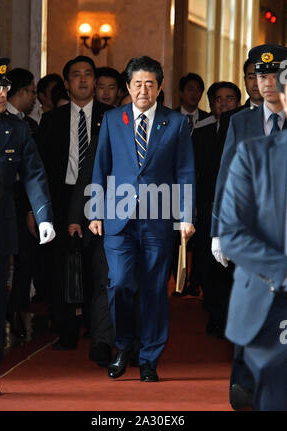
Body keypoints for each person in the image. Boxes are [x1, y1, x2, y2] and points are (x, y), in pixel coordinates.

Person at [89, 56, 195, 382]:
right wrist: (95, 210)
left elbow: (185, 172)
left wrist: (186, 217)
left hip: (158, 220)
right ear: (128, 86)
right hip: (118, 219)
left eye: (150, 83)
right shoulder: (111, 119)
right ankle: (123, 346)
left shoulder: (175, 123)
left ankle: (149, 357)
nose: (143, 90)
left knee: (152, 291)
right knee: (119, 283)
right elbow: (101, 166)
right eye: (137, 83)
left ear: (160, 87)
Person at [211, 44, 287, 410]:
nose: (267, 83)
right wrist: (217, 232)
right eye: (260, 75)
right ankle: (244, 383)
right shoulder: (240, 122)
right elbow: (225, 179)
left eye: (274, 75)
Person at [37, 56, 113, 366]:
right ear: (66, 83)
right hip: (61, 197)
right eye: (75, 75)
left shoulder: (112, 117)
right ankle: (66, 331)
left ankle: (99, 332)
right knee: (61, 266)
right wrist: (36, 209)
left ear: (95, 81)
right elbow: (39, 168)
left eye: (88, 75)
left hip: (99, 200)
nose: (82, 80)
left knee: (98, 267)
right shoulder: (52, 120)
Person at [0, 57, 55, 396]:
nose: (3, 93)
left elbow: (34, 173)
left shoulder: (18, 128)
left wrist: (43, 216)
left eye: (4, 87)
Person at [190, 82, 241, 334]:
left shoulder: (244, 125)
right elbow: (193, 171)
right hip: (207, 204)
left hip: (237, 208)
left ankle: (230, 313)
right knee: (208, 261)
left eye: (229, 98)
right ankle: (214, 310)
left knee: (232, 265)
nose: (224, 103)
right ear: (210, 103)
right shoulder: (201, 130)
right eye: (218, 99)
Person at [6, 68, 40, 338]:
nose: (35, 99)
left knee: (25, 258)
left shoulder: (27, 125)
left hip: (20, 200)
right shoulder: (4, 121)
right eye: (32, 92)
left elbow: (34, 173)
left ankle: (17, 311)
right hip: (3, 200)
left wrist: (32, 209)